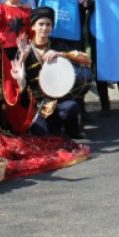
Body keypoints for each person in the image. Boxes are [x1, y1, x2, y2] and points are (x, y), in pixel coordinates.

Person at [0, 36, 90, 178]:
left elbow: (20, 109)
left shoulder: (8, 78)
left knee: (1, 154)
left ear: (0, 54)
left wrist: (21, 85)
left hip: (1, 132)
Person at [22, 7, 94, 139]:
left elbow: (87, 60)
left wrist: (61, 54)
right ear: (32, 27)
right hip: (36, 101)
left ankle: (71, 130)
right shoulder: (25, 50)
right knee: (42, 135)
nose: (44, 28)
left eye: (48, 24)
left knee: (71, 106)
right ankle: (52, 127)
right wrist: (21, 57)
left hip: (58, 98)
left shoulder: (57, 45)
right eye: (41, 24)